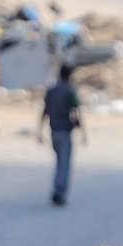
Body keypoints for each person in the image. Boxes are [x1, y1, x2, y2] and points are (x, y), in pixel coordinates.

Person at [38, 66, 85, 206]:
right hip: (65, 130)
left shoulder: (51, 91)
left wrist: (39, 130)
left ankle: (57, 189)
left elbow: (44, 111)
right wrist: (82, 131)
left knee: (58, 161)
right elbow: (76, 112)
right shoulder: (70, 91)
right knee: (64, 163)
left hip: (54, 130)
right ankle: (60, 192)